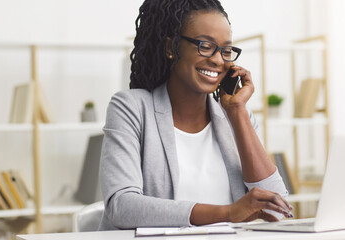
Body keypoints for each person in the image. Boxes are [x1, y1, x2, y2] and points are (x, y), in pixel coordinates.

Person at [98, 0, 292, 230]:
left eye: (226, 50)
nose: (219, 60)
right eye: (205, 45)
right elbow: (122, 206)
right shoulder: (131, 108)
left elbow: (277, 207)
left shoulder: (236, 115)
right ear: (171, 48)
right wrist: (228, 213)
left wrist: (237, 111)